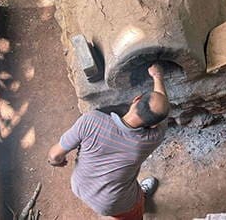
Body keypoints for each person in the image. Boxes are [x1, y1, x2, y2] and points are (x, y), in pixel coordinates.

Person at [47, 64, 170, 219]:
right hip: (112, 203)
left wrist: (56, 162)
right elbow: (162, 105)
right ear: (153, 125)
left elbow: (54, 155)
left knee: (128, 189)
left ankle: (138, 194)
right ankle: (140, 199)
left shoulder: (90, 120)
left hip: (80, 187)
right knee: (134, 209)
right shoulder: (152, 138)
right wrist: (158, 77)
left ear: (136, 100)